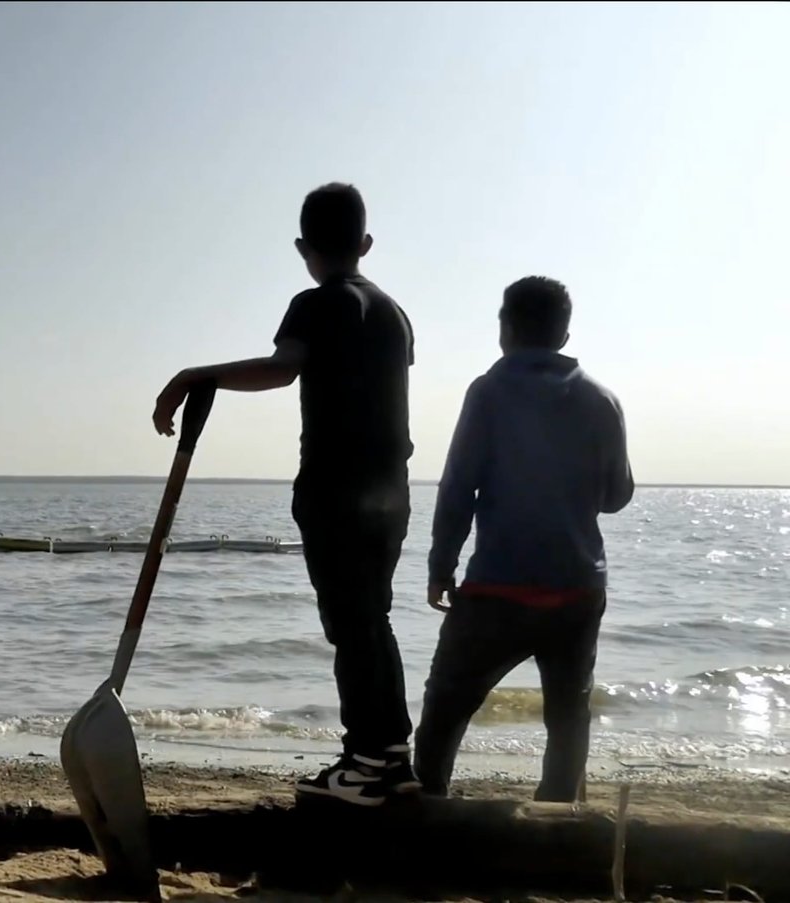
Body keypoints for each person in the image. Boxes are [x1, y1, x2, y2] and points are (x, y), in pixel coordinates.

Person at [153, 183, 419, 806]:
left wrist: (201, 374)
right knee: (369, 617)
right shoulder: (394, 313)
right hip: (392, 489)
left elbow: (283, 368)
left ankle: (369, 761)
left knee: (349, 622)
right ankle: (388, 757)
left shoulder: (315, 303)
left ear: (304, 248)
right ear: (366, 243)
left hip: (335, 487)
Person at [414, 276, 633, 802]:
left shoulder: (488, 391)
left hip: (498, 587)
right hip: (577, 588)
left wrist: (441, 564)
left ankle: (428, 803)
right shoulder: (601, 399)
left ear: (505, 329)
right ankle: (558, 814)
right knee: (567, 713)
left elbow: (458, 485)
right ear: (564, 332)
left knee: (447, 704)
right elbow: (616, 496)